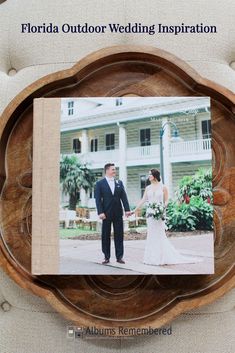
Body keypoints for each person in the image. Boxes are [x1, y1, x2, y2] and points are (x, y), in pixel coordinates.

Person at [133, 168, 203, 266]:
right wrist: (135, 209)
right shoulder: (148, 188)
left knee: (159, 235)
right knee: (151, 235)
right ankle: (150, 258)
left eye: (150, 174)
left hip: (159, 214)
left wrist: (162, 208)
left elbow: (166, 200)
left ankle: (160, 257)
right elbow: (143, 199)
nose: (149, 176)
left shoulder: (163, 187)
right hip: (150, 215)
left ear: (155, 175)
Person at [95, 163, 131, 264]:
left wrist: (127, 209)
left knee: (119, 235)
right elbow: (98, 199)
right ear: (107, 171)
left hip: (118, 213)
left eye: (115, 169)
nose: (115, 171)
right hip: (105, 214)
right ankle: (106, 257)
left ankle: (119, 257)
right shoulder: (100, 183)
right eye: (113, 169)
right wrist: (100, 212)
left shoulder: (119, 182)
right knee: (105, 236)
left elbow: (124, 197)